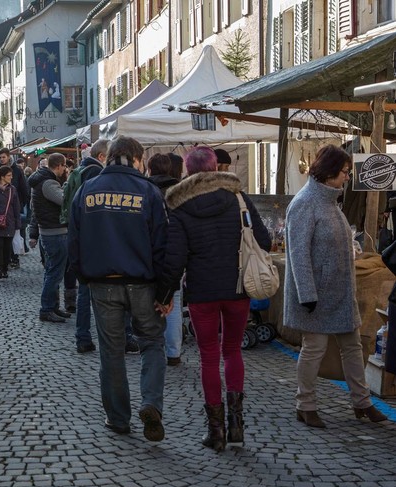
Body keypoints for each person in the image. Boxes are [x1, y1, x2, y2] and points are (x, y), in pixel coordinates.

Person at [156, 146, 271, 451]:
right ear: (217, 168)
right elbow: (265, 240)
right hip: (237, 287)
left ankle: (215, 431)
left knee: (208, 356)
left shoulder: (180, 206)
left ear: (188, 173)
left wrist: (165, 295)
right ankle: (237, 426)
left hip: (202, 291)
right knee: (233, 351)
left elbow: (175, 257)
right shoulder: (238, 198)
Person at [68, 136, 169, 441]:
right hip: (142, 283)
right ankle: (150, 401)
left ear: (109, 157)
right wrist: (165, 291)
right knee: (152, 343)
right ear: (138, 159)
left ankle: (118, 417)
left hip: (103, 283)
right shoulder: (149, 191)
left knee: (111, 353)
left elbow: (74, 238)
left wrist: (82, 278)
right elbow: (162, 244)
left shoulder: (86, 190)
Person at [284, 144, 387, 428]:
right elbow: (298, 253)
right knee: (314, 348)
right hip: (316, 295)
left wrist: (350, 247)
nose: (347, 177)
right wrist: (307, 294)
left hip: (339, 292)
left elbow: (337, 237)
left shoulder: (330, 201)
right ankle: (305, 405)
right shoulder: (306, 202)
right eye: (344, 172)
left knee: (352, 347)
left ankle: (362, 402)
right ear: (329, 171)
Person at [60, 138, 109, 353]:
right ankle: (113, 338)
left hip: (81, 240)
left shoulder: (78, 172)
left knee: (84, 293)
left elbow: (71, 209)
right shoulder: (99, 176)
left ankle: (82, 337)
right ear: (101, 157)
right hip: (97, 243)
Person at [147, 153, 183, 366]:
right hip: (174, 254)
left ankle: (153, 346)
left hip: (150, 254)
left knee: (149, 300)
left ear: (150, 169)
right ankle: (173, 352)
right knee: (174, 301)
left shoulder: (144, 190)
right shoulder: (179, 192)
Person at [29, 153, 71, 322]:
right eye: (64, 167)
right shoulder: (48, 183)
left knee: (52, 271)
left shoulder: (42, 180)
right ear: (59, 165)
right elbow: (65, 201)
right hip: (54, 232)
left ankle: (52, 306)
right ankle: (47, 308)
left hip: (49, 231)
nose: (65, 170)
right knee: (54, 273)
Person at [0, 148, 30, 269]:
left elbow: (23, 188)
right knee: (4, 235)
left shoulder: (17, 170)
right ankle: (6, 260)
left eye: (3, 157)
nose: (2, 159)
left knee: (15, 234)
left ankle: (15, 258)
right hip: (2, 207)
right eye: (0, 157)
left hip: (15, 206)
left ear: (8, 157)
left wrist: (21, 204)